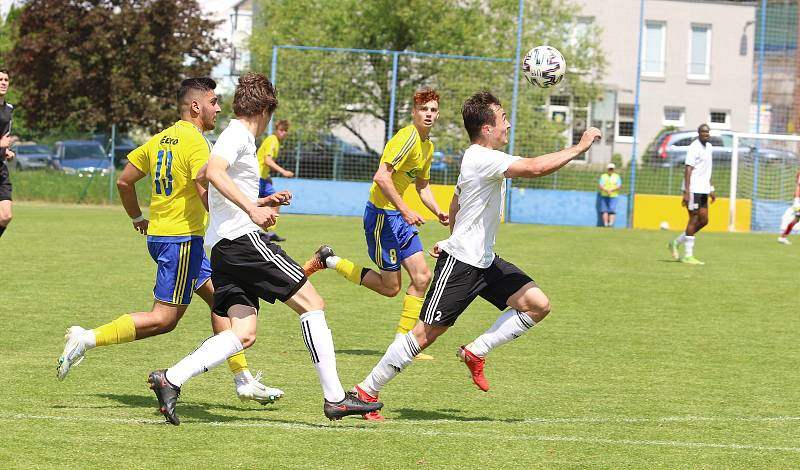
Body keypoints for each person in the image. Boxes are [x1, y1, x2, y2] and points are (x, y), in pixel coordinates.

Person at [348, 91, 601, 420]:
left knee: (538, 304)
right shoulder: (483, 158)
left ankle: (476, 351)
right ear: (486, 128)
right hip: (462, 264)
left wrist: (450, 235)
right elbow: (537, 168)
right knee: (424, 335)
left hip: (484, 259)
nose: (507, 123)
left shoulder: (481, 158)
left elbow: (455, 201)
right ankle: (365, 390)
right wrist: (580, 147)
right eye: (502, 118)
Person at [146, 72, 382, 425]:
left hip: (224, 248)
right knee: (313, 305)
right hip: (242, 242)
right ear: (266, 110)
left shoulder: (236, 136)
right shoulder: (239, 134)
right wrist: (253, 210)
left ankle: (171, 378)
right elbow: (212, 171)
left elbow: (209, 182)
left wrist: (259, 200)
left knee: (243, 333)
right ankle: (335, 399)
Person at [56, 78, 282, 405]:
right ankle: (86, 338)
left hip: (165, 235)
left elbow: (124, 181)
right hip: (182, 240)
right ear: (195, 106)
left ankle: (243, 379)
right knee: (164, 319)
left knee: (221, 300)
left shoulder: (159, 140)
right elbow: (206, 192)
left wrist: (137, 219)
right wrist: (249, 214)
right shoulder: (196, 143)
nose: (219, 108)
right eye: (213, 101)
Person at [303, 89, 448, 361]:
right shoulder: (406, 138)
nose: (428, 114)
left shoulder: (427, 146)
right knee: (390, 288)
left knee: (422, 277)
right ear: (414, 112)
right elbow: (381, 177)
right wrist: (405, 210)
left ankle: (404, 344)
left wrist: (438, 210)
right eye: (423, 109)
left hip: (398, 217)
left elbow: (423, 185)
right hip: (383, 216)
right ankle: (329, 260)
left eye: (433, 110)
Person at [668, 124, 715, 265]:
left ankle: (676, 242)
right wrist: (687, 192)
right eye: (703, 132)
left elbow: (708, 170)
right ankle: (688, 255)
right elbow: (688, 169)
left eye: (707, 132)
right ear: (698, 133)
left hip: (704, 189)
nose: (706, 134)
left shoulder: (710, 147)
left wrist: (711, 188)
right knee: (693, 218)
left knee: (704, 220)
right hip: (693, 188)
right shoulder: (694, 147)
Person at [256, 119, 293, 242]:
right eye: (281, 130)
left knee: (276, 201)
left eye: (285, 131)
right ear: (276, 130)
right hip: (256, 179)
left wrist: (267, 177)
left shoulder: (276, 142)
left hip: (262, 178)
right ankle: (262, 231)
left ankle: (267, 232)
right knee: (258, 203)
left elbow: (262, 161)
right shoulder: (272, 140)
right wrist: (283, 172)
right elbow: (267, 160)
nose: (283, 133)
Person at [0, 68, 16, 239]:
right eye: (0, 79)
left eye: (6, 79)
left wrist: (6, 151)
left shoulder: (9, 109)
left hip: (1, 169)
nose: (3, 82)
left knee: (6, 216)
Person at [777, 169, 800, 245]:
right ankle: (782, 237)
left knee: (796, 220)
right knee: (796, 220)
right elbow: (798, 188)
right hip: (799, 201)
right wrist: (796, 199)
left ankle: (782, 237)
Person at [598, 162, 622, 227]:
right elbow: (600, 185)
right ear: (607, 169)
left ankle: (610, 224)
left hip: (614, 196)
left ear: (614, 169)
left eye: (612, 169)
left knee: (612, 211)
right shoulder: (603, 176)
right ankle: (605, 224)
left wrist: (611, 190)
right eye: (609, 169)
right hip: (604, 195)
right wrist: (607, 190)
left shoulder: (617, 176)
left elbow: (619, 186)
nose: (610, 170)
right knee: (604, 210)